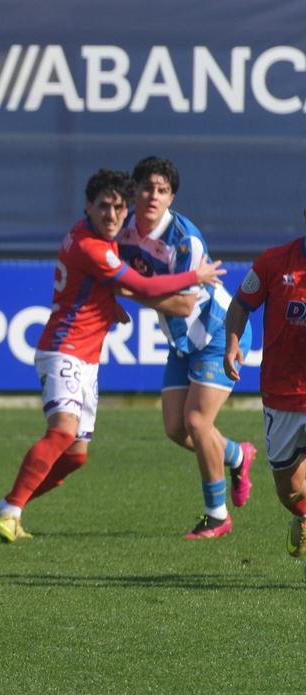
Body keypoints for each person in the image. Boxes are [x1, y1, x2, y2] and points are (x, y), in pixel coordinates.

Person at [0, 169, 224, 543]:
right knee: (62, 432)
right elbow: (142, 284)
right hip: (64, 349)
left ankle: (5, 506)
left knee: (76, 456)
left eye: (118, 208)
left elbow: (104, 285)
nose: (112, 215)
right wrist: (195, 276)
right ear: (87, 207)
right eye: (104, 207)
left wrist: (107, 302)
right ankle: (12, 511)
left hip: (87, 357)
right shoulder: (90, 246)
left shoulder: (99, 237)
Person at [116, 156, 256, 539]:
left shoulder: (185, 240)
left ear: (171, 196)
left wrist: (129, 292)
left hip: (216, 333)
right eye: (146, 187)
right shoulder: (123, 229)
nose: (153, 196)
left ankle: (217, 515)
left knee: (197, 421)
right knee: (176, 429)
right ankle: (237, 455)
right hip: (182, 340)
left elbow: (183, 303)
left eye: (162, 190)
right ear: (135, 191)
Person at [224, 208, 306, 567]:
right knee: (289, 490)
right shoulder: (274, 261)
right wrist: (232, 343)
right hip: (282, 393)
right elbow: (241, 305)